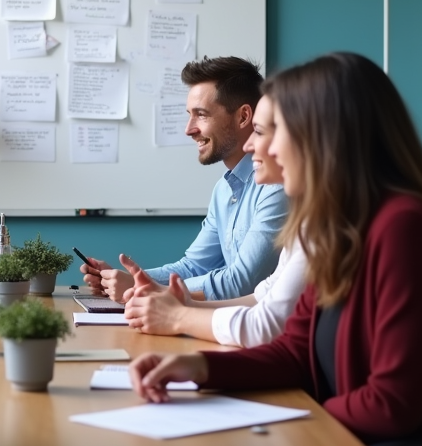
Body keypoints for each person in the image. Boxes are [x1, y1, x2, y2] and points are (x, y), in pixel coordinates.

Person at [129, 52, 422, 446]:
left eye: (268, 133)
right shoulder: (339, 229)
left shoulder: (405, 229)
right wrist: (196, 367)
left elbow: (393, 405)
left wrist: (291, 423)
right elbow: (294, 350)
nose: (252, 148)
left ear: (321, 138)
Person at [81, 56, 288, 301]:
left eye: (201, 115)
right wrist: (132, 278)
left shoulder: (277, 186)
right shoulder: (224, 190)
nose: (188, 129)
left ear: (243, 117)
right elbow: (194, 266)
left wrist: (144, 288)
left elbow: (243, 282)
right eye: (189, 115)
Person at [122, 94, 307, 346]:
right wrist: (180, 300)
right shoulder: (225, 190)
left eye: (260, 132)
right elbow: (263, 294)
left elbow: (260, 314)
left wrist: (179, 315)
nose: (250, 144)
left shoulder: (311, 217)